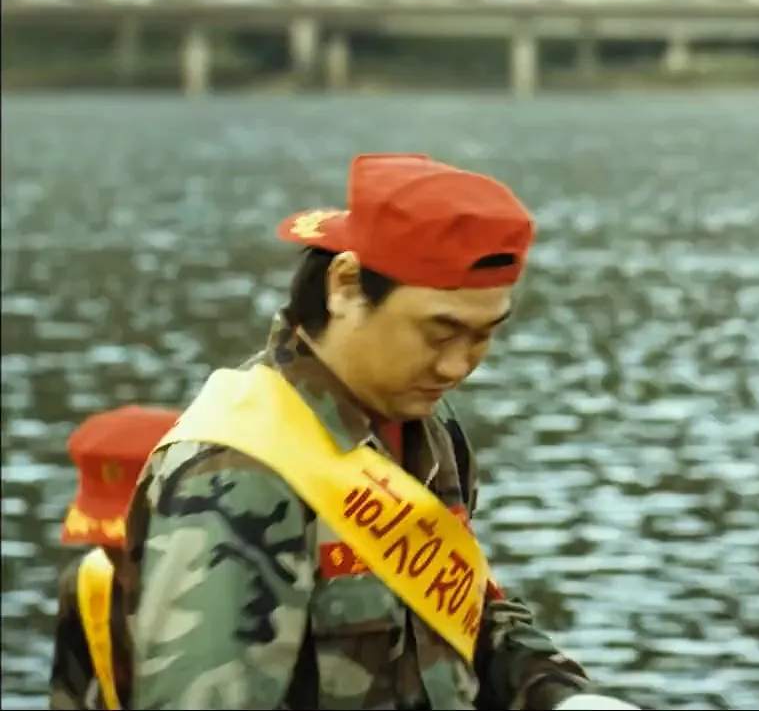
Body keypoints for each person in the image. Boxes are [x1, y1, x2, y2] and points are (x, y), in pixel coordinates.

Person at [120, 154, 639, 710]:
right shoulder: (235, 470)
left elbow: (462, 608)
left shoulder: (429, 425)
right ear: (345, 286)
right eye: (439, 332)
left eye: (483, 335)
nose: (458, 366)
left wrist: (560, 697)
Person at [48, 405, 178, 710]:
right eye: (109, 542)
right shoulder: (84, 585)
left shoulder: (233, 578)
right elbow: (65, 693)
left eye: (137, 544)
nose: (124, 561)